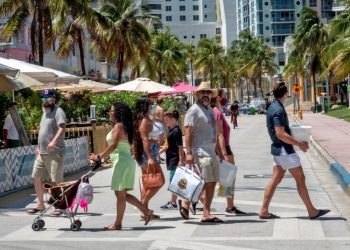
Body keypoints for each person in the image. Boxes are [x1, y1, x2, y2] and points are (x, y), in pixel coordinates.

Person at [259, 82, 330, 219]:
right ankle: (312, 211)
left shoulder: (273, 107)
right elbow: (280, 133)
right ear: (285, 93)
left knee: (276, 178)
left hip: (279, 150)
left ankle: (263, 210)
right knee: (300, 178)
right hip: (285, 151)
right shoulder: (278, 110)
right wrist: (299, 144)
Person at [89, 102, 153, 230]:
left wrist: (98, 157)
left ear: (118, 112)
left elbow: (113, 146)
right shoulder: (125, 126)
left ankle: (118, 224)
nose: (110, 112)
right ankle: (146, 212)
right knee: (122, 194)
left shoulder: (119, 126)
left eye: (112, 110)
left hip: (121, 162)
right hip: (125, 161)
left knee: (121, 195)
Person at [179, 81, 223, 223]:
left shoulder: (210, 110)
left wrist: (219, 151)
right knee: (203, 182)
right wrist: (189, 153)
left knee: (211, 182)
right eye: (203, 92)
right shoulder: (193, 110)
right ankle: (188, 203)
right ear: (197, 94)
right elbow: (188, 133)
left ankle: (204, 212)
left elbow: (214, 132)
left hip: (211, 152)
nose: (206, 95)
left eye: (208, 92)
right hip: (199, 151)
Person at [27, 89, 66, 215]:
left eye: (48, 98)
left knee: (56, 180)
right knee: (36, 177)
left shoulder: (58, 111)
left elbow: (62, 128)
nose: (46, 101)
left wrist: (53, 142)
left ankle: (59, 206)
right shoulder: (44, 113)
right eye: (43, 99)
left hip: (55, 152)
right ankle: (40, 204)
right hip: (42, 153)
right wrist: (38, 146)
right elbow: (44, 131)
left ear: (54, 98)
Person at [211, 89, 246, 216]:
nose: (226, 98)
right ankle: (230, 207)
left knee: (216, 179)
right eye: (224, 96)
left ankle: (194, 202)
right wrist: (224, 154)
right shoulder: (217, 113)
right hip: (224, 148)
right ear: (218, 98)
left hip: (220, 148)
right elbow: (219, 134)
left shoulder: (214, 112)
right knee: (228, 178)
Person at [133, 96, 165, 220]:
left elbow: (146, 139)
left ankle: (144, 211)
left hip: (147, 152)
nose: (152, 106)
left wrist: (155, 141)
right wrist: (151, 157)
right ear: (145, 106)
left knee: (148, 182)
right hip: (147, 154)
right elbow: (144, 140)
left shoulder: (146, 118)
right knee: (159, 180)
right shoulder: (144, 121)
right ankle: (142, 206)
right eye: (150, 104)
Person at [159, 110, 185, 210]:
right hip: (172, 159)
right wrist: (158, 153)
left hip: (176, 160)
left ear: (174, 119)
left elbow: (180, 146)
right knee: (176, 182)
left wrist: (181, 160)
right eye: (165, 120)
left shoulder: (177, 131)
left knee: (175, 182)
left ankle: (174, 202)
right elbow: (167, 145)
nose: (165, 122)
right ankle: (192, 201)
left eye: (167, 120)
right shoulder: (171, 130)